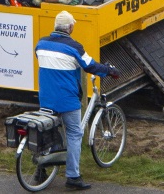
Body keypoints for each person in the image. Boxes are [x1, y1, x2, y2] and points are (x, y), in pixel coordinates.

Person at [35, 10, 117, 191]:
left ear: (55, 26)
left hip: (46, 98)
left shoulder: (40, 44)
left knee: (47, 132)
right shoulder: (74, 47)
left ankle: (40, 170)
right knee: (74, 133)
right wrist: (109, 70)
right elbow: (90, 66)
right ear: (70, 27)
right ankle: (73, 177)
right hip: (67, 100)